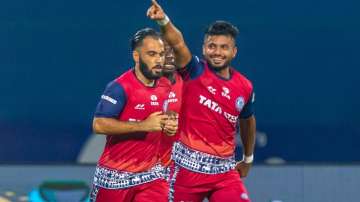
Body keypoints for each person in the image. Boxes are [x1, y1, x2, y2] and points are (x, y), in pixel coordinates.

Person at [147, 1, 256, 202]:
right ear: (204, 49)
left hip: (224, 173)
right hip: (185, 172)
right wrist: (163, 20)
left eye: (224, 47)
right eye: (212, 46)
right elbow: (178, 43)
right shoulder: (194, 71)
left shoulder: (245, 87)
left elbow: (247, 120)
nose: (217, 52)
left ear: (234, 52)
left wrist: (248, 158)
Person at [89, 27, 178, 202]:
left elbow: (164, 117)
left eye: (161, 54)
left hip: (151, 176)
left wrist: (170, 124)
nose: (159, 60)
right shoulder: (119, 87)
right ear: (136, 57)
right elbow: (99, 124)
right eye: (152, 54)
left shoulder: (165, 86)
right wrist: (143, 125)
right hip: (114, 177)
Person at [159, 42, 183, 180]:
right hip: (149, 165)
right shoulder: (143, 85)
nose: (169, 56)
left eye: (172, 51)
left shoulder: (188, 83)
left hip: (180, 165)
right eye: (163, 52)